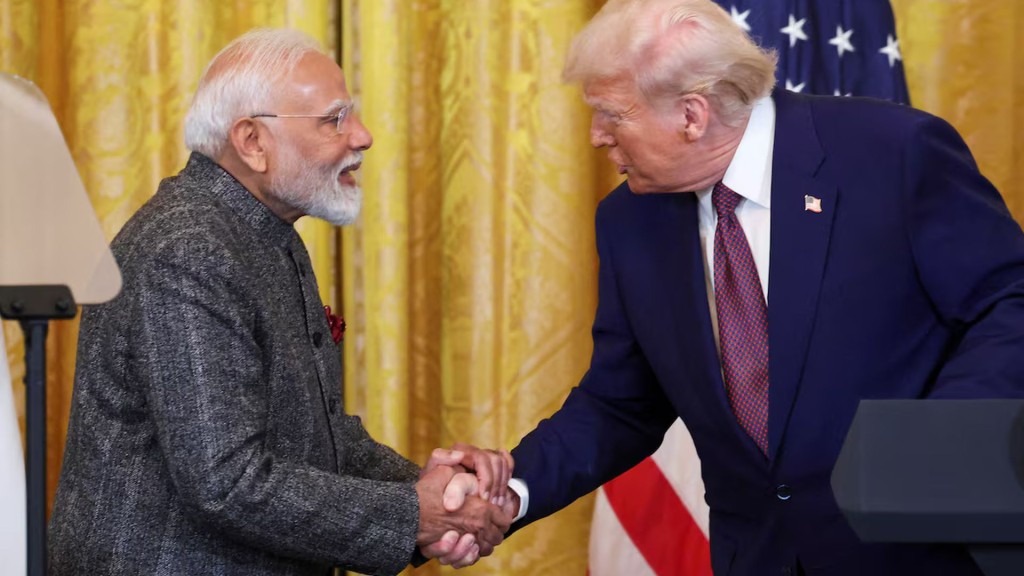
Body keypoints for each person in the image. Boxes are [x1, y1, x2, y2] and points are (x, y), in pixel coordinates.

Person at [457, 0, 1024, 574]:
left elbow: (1009, 303)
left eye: (611, 114)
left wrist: (932, 442)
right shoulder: (630, 221)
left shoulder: (892, 154)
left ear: (692, 115)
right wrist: (513, 489)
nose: (597, 137)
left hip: (915, 553)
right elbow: (620, 402)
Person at [48, 28, 514, 576]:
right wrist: (417, 514)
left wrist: (429, 491)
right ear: (251, 141)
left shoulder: (261, 232)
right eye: (334, 119)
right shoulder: (188, 250)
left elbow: (317, 436)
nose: (362, 136)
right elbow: (228, 480)